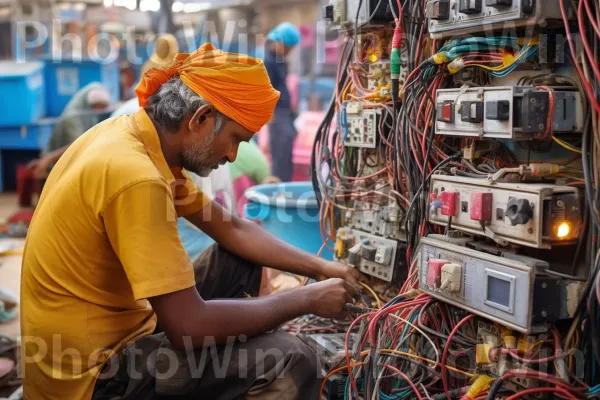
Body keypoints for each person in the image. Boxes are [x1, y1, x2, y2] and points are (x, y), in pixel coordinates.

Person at [21, 43, 361, 400]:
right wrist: (304, 300)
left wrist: (321, 267)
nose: (232, 156)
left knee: (238, 257)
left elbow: (230, 228)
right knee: (291, 358)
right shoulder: (137, 177)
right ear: (200, 118)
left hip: (112, 333)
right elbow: (187, 327)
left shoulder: (134, 137)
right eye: (235, 140)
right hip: (93, 376)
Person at [26, 83, 111, 179]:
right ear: (91, 104)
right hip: (59, 165)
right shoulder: (73, 117)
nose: (101, 110)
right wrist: (48, 159)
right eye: (99, 106)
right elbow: (77, 145)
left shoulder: (90, 113)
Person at [263, 22, 301, 182]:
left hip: (285, 112)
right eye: (287, 47)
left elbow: (281, 85)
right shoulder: (268, 62)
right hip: (277, 114)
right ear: (279, 42)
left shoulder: (279, 60)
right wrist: (270, 114)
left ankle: (286, 184)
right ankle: (279, 187)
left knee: (287, 153)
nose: (288, 51)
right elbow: (265, 88)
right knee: (280, 155)